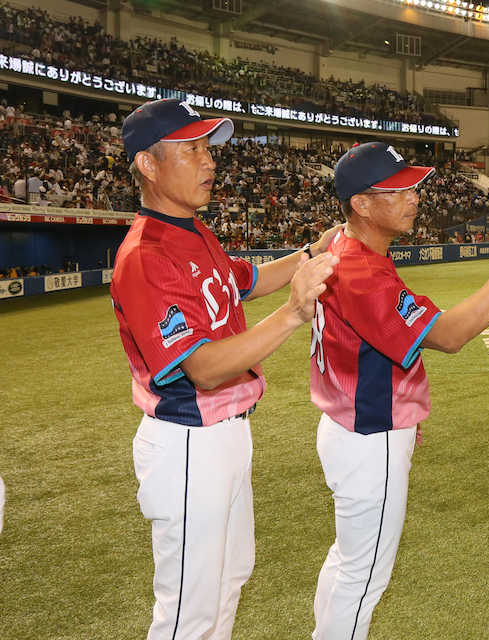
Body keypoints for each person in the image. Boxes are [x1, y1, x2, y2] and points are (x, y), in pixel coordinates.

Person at [110, 98, 337, 640]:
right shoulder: (146, 254)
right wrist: (295, 312)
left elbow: (247, 280)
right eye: (192, 150)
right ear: (148, 163)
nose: (209, 162)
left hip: (225, 437)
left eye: (208, 150)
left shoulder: (193, 231)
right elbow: (204, 369)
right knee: (187, 611)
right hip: (188, 442)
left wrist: (310, 251)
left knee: (230, 580)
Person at [309, 141, 489, 640]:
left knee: (348, 564)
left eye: (413, 186)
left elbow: (329, 239)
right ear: (362, 204)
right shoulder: (364, 272)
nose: (414, 197)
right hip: (369, 434)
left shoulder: (341, 246)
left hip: (350, 426)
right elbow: (451, 335)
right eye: (397, 189)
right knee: (362, 577)